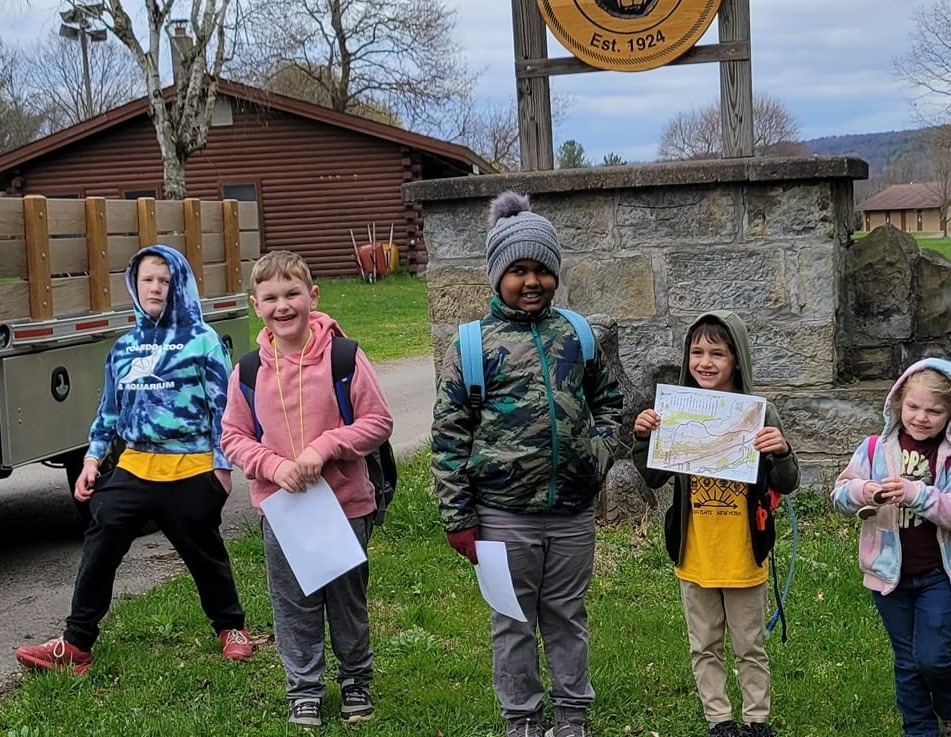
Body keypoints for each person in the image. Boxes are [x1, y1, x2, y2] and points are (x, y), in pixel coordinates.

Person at [430, 192, 622, 737]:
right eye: (518, 270)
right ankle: (521, 717)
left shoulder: (576, 336)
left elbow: (609, 401)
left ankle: (571, 715)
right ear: (497, 275)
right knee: (512, 622)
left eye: (541, 269)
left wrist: (599, 452)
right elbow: (448, 437)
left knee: (566, 616)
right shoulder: (473, 345)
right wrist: (458, 516)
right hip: (501, 515)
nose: (531, 281)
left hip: (572, 514)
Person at [15, 245, 253, 675]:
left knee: (205, 554)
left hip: (193, 468)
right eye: (147, 279)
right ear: (134, 285)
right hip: (134, 467)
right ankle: (76, 644)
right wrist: (91, 460)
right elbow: (108, 411)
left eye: (164, 279)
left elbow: (225, 408)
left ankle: (231, 627)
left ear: (178, 284)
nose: (156, 287)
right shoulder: (124, 348)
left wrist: (221, 468)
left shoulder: (203, 341)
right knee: (101, 541)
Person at [222, 249, 393, 728]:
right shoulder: (250, 370)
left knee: (346, 600)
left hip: (345, 504)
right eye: (270, 297)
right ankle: (304, 689)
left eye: (292, 293)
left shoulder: (344, 356)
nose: (283, 305)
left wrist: (326, 447)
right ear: (255, 305)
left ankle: (356, 680)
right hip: (284, 511)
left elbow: (378, 421)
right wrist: (273, 467)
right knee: (293, 603)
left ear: (312, 296)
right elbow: (232, 436)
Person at [632, 310, 800, 737]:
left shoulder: (761, 414)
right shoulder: (675, 412)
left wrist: (780, 451)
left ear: (737, 359)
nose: (705, 362)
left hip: (744, 553)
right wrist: (643, 438)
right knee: (703, 643)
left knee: (749, 644)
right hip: (696, 553)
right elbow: (652, 477)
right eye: (697, 352)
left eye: (717, 353)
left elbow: (788, 482)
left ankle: (756, 720)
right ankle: (719, 720)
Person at [831, 359, 951, 737]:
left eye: (934, 411)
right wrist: (864, 491)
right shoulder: (874, 449)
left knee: (933, 656)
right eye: (914, 407)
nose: (922, 417)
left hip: (937, 576)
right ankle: (919, 729)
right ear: (898, 403)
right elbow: (840, 495)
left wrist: (916, 493)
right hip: (888, 576)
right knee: (908, 662)